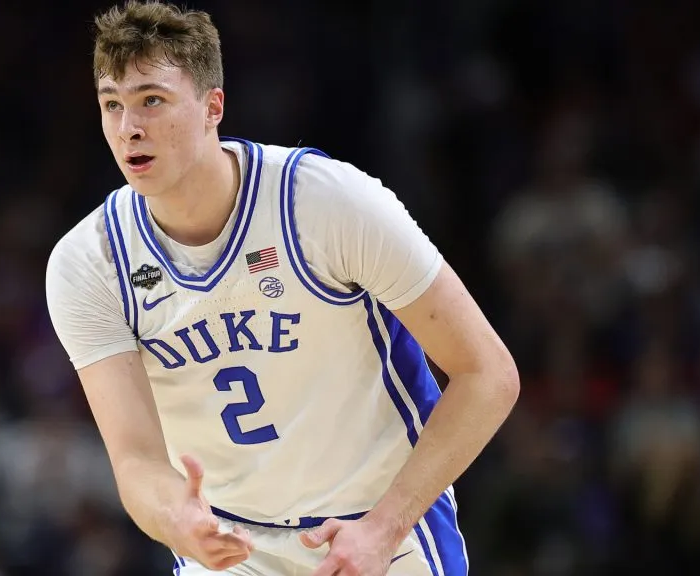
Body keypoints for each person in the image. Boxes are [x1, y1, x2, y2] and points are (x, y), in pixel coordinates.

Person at [45, 2, 519, 574]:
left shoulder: (327, 203)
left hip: (373, 525)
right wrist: (178, 518)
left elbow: (487, 373)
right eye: (112, 105)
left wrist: (385, 525)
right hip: (229, 542)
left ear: (212, 107)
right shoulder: (88, 263)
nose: (130, 128)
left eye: (152, 99)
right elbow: (137, 461)